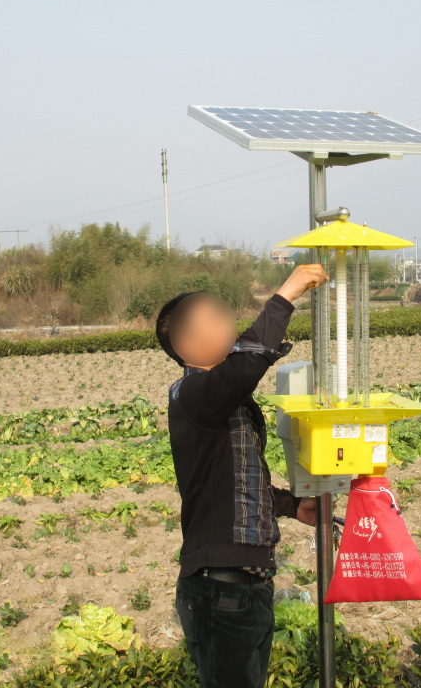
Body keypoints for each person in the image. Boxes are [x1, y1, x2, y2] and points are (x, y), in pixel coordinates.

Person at [156, 264, 329, 688]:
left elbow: (240, 483)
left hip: (249, 591)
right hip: (221, 593)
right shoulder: (191, 395)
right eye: (214, 318)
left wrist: (291, 505)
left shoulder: (225, 403)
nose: (228, 321)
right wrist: (287, 293)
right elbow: (245, 366)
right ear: (187, 344)